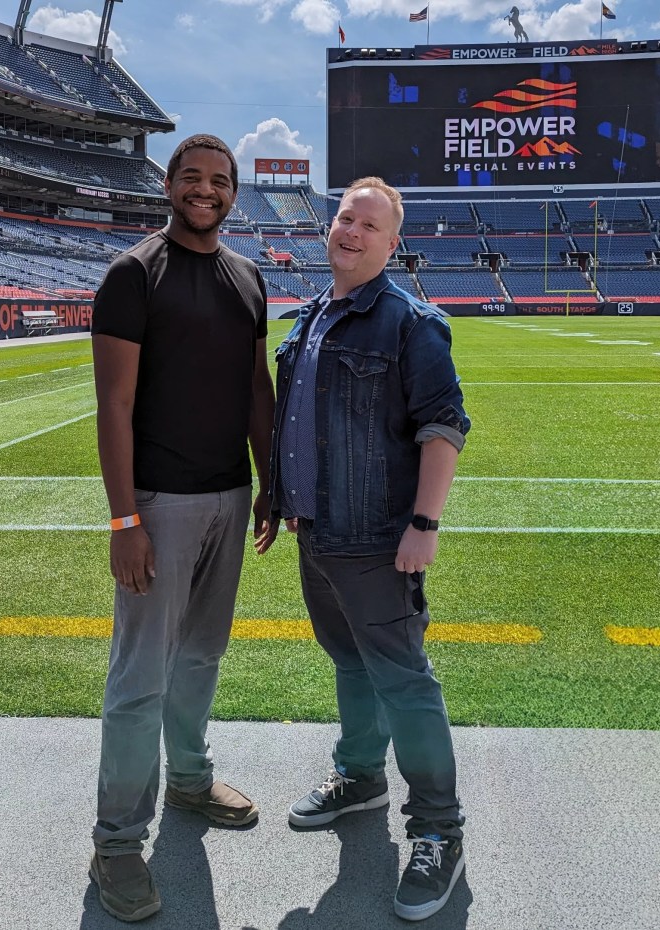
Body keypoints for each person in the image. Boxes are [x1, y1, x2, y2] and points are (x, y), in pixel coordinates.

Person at [271, 177, 471, 922]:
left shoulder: (409, 322)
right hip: (316, 532)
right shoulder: (314, 315)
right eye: (344, 218)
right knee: (349, 661)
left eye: (369, 225)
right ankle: (361, 775)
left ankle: (439, 830)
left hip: (378, 537)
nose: (350, 231)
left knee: (404, 680)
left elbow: (444, 427)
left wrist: (424, 524)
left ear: (393, 245)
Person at [89, 133, 278, 922]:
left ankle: (191, 781)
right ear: (168, 185)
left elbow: (256, 392)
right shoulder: (133, 274)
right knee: (140, 679)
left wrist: (273, 482)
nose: (207, 190)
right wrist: (125, 516)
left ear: (234, 193)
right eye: (192, 177)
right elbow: (115, 407)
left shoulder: (248, 275)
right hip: (159, 506)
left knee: (202, 656)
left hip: (230, 498)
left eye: (221, 181)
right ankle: (117, 842)